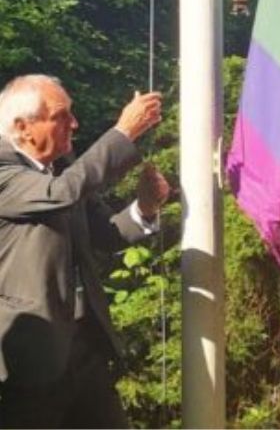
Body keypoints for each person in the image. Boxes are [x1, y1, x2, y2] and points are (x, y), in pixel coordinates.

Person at [0, 74, 170, 428]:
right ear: (23, 127)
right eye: (62, 116)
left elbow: (106, 234)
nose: (74, 124)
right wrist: (123, 132)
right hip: (29, 362)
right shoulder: (6, 171)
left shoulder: (63, 169)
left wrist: (145, 208)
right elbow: (61, 193)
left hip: (86, 349)